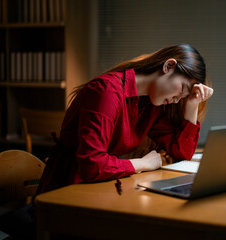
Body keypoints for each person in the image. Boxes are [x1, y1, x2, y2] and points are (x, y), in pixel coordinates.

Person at [36, 44, 213, 194]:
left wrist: (192, 103)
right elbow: (92, 164)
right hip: (66, 189)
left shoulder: (151, 104)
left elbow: (183, 152)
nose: (177, 99)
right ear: (168, 66)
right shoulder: (106, 91)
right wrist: (141, 164)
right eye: (182, 89)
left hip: (100, 186)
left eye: (183, 96)